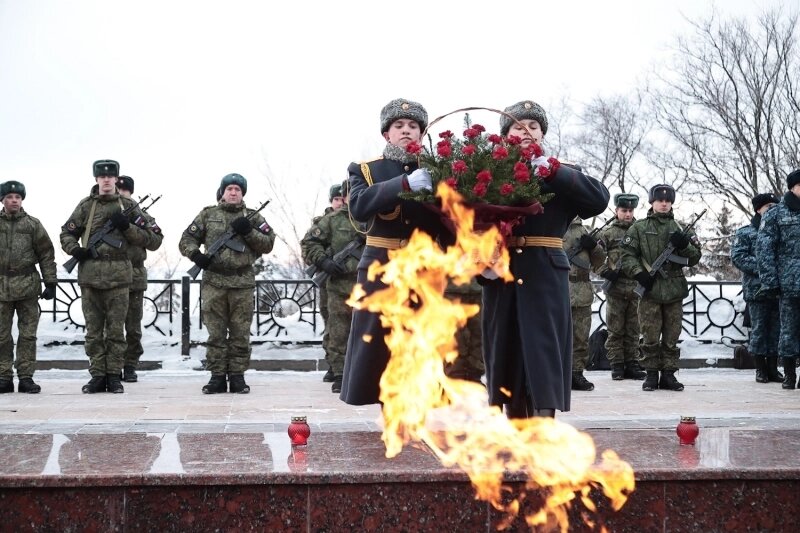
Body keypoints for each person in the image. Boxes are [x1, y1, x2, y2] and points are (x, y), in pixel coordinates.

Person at [481, 100, 610, 418]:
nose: (526, 132)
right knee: (506, 346)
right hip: (503, 269)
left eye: (533, 126)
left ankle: (544, 424)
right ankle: (515, 424)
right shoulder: (489, 175)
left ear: (542, 134)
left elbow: (599, 199)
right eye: (517, 127)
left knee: (544, 349)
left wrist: (553, 171)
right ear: (505, 135)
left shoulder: (562, 173)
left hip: (545, 270)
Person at [339, 97, 452, 406]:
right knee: (376, 342)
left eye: (413, 126)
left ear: (422, 133)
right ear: (386, 134)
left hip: (424, 268)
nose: (406, 131)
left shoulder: (438, 169)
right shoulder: (366, 169)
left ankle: (415, 411)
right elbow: (360, 207)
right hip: (381, 267)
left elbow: (451, 222)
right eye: (398, 126)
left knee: (420, 339)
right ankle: (384, 412)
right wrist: (403, 183)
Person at [60, 160, 152, 394]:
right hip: (91, 277)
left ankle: (114, 375)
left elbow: (151, 239)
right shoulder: (86, 207)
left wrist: (127, 228)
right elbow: (67, 233)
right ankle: (97, 375)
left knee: (115, 331)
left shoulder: (129, 206)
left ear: (116, 178)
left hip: (120, 278)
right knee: (93, 331)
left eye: (111, 176)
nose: (107, 180)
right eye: (102, 176)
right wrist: (75, 250)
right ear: (97, 179)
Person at [179, 173, 275, 394]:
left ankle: (238, 376)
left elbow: (268, 244)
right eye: (229, 189)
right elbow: (186, 239)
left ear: (243, 194)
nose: (233, 193)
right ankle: (217, 376)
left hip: (242, 282)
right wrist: (196, 256)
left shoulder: (252, 218)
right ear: (222, 191)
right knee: (216, 333)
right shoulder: (208, 214)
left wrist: (249, 232)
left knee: (241, 332)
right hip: (214, 282)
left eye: (238, 190)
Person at [620, 184, 702, 392]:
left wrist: (684, 245)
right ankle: (650, 374)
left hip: (674, 289)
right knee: (649, 334)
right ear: (652, 202)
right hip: (650, 290)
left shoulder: (681, 229)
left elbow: (694, 258)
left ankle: (669, 374)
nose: (664, 204)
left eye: (667, 201)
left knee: (672, 335)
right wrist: (639, 273)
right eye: (660, 200)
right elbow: (627, 255)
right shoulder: (638, 228)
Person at [300, 179, 362, 393]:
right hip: (339, 285)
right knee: (339, 332)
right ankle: (340, 374)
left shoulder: (373, 220)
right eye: (350, 193)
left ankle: (362, 374)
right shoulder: (332, 220)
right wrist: (323, 261)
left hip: (368, 285)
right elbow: (309, 243)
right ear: (344, 196)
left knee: (366, 332)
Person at [0, 181, 57, 394]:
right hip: (1, 288)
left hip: (28, 288)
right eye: (9, 197)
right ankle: (3, 377)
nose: (14, 200)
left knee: (28, 335)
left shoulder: (33, 225)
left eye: (18, 197)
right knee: (1, 336)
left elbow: (46, 254)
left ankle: (26, 377)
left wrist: (50, 282)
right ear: (3, 200)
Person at [115, 176, 164, 383]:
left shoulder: (142, 217)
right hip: (110, 277)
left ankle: (130, 365)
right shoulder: (103, 214)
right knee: (112, 326)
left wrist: (129, 227)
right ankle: (111, 366)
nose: (122, 193)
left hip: (134, 277)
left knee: (133, 327)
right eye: (119, 189)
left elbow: (155, 240)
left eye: (126, 190)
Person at [731, 192, 782, 384]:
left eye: (775, 206)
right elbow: (739, 257)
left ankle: (773, 368)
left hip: (778, 289)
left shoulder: (780, 230)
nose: (772, 210)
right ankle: (760, 369)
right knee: (759, 329)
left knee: (776, 330)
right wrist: (766, 267)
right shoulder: (746, 233)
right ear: (758, 209)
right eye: (768, 207)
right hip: (757, 289)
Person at [756, 170, 800, 390]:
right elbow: (764, 249)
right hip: (788, 282)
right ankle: (790, 374)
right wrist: (770, 281)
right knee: (788, 330)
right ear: (793, 188)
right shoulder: (776, 214)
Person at [597, 193, 647, 381]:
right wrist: (605, 271)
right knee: (615, 329)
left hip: (635, 286)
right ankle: (617, 365)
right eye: (624, 210)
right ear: (616, 211)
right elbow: (596, 256)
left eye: (630, 210)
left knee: (634, 329)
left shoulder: (640, 231)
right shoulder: (608, 233)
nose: (627, 214)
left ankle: (632, 364)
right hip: (616, 287)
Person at [303, 182, 345, 384]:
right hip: (327, 279)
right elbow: (308, 248)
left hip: (348, 279)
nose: (339, 202)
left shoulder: (354, 221)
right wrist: (324, 261)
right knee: (331, 322)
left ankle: (343, 366)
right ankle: (334, 364)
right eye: (336, 199)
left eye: (341, 198)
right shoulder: (324, 223)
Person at [563, 215, 607, 391]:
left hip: (581, 290)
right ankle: (559, 374)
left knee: (581, 337)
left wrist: (594, 247)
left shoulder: (584, 231)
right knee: (558, 336)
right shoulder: (554, 226)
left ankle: (577, 373)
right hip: (559, 288)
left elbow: (598, 262)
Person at [443, 278, 485, 384]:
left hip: (479, 288)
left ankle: (473, 383)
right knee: (453, 342)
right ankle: (455, 383)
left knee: (479, 342)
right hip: (450, 289)